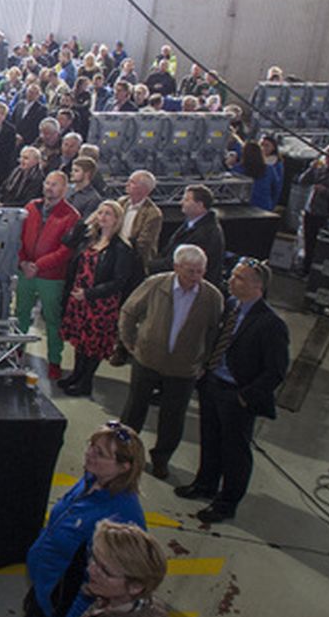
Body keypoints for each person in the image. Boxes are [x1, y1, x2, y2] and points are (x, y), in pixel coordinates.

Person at [10, 422, 149, 617]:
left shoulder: (119, 518)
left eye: (100, 453)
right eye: (91, 447)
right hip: (47, 590)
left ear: (125, 467)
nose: (89, 455)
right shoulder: (91, 482)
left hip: (64, 607)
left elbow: (96, 586)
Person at [176, 258, 290, 523]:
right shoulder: (230, 306)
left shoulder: (270, 324)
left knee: (235, 451)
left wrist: (244, 396)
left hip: (237, 394)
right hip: (214, 384)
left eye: (239, 278)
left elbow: (276, 371)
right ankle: (205, 484)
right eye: (233, 275)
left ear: (257, 286)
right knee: (210, 439)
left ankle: (227, 502)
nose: (231, 280)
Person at [116, 244, 225, 480]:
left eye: (200, 271)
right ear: (176, 267)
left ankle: (161, 459)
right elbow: (129, 312)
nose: (195, 277)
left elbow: (213, 334)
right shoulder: (156, 285)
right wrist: (130, 343)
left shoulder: (211, 297)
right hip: (147, 360)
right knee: (134, 409)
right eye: (190, 271)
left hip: (183, 369)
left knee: (173, 417)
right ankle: (125, 453)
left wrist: (203, 363)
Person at [59, 201, 143, 398]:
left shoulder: (122, 247)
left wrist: (89, 294)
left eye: (108, 214)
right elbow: (68, 241)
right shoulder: (90, 239)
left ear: (117, 219)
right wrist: (85, 223)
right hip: (80, 299)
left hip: (100, 303)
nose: (102, 217)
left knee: (93, 344)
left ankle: (85, 381)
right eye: (100, 212)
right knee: (80, 341)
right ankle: (76, 375)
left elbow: (118, 281)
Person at [17, 172, 80, 381]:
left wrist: (39, 266)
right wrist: (23, 262)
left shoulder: (71, 216)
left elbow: (66, 250)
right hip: (26, 271)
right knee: (20, 314)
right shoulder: (30, 207)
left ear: (64, 189)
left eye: (55, 185)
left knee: (53, 320)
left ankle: (54, 361)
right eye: (48, 183)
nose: (49, 187)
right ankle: (16, 350)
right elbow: (17, 236)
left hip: (51, 276)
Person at [147, 184, 226, 288]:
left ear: (200, 204)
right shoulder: (190, 224)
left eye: (186, 200)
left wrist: (148, 266)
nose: (181, 202)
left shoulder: (206, 233)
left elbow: (179, 263)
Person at [297, 143, 329, 275]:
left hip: (326, 212)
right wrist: (311, 169)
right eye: (326, 156)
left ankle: (317, 271)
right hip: (311, 209)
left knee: (322, 244)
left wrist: (326, 191)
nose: (327, 160)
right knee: (308, 241)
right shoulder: (320, 169)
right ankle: (305, 268)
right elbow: (302, 181)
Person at [119, 170, 162, 271]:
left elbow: (144, 243)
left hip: (136, 261)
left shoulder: (153, 214)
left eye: (132, 182)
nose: (127, 184)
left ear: (144, 189)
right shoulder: (121, 202)